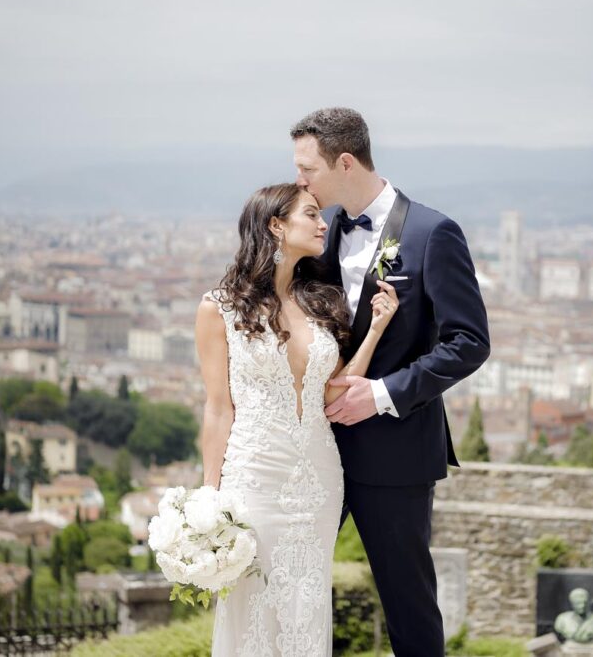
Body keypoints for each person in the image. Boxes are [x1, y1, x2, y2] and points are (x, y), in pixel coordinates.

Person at [292, 107, 491, 656]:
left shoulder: (432, 232)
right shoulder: (321, 233)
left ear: (346, 162)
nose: (300, 181)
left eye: (308, 168)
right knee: (288, 585)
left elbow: (469, 342)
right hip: (317, 449)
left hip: (396, 455)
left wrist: (381, 395)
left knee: (408, 607)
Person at [195, 183, 401, 655]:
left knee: (307, 607)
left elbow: (333, 393)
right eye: (311, 214)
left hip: (319, 479)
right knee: (251, 604)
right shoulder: (218, 308)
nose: (324, 223)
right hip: (254, 475)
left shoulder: (321, 303)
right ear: (276, 225)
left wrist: (376, 330)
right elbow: (217, 407)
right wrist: (211, 494)